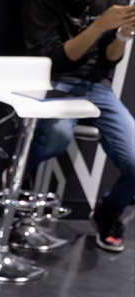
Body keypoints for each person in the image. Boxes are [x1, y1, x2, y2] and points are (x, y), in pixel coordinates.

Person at [21, 0, 135, 252]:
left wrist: (123, 35)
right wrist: (100, 25)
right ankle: (20, 171)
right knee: (57, 137)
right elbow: (54, 60)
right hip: (54, 81)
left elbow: (109, 59)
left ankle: (108, 214)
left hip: (97, 85)